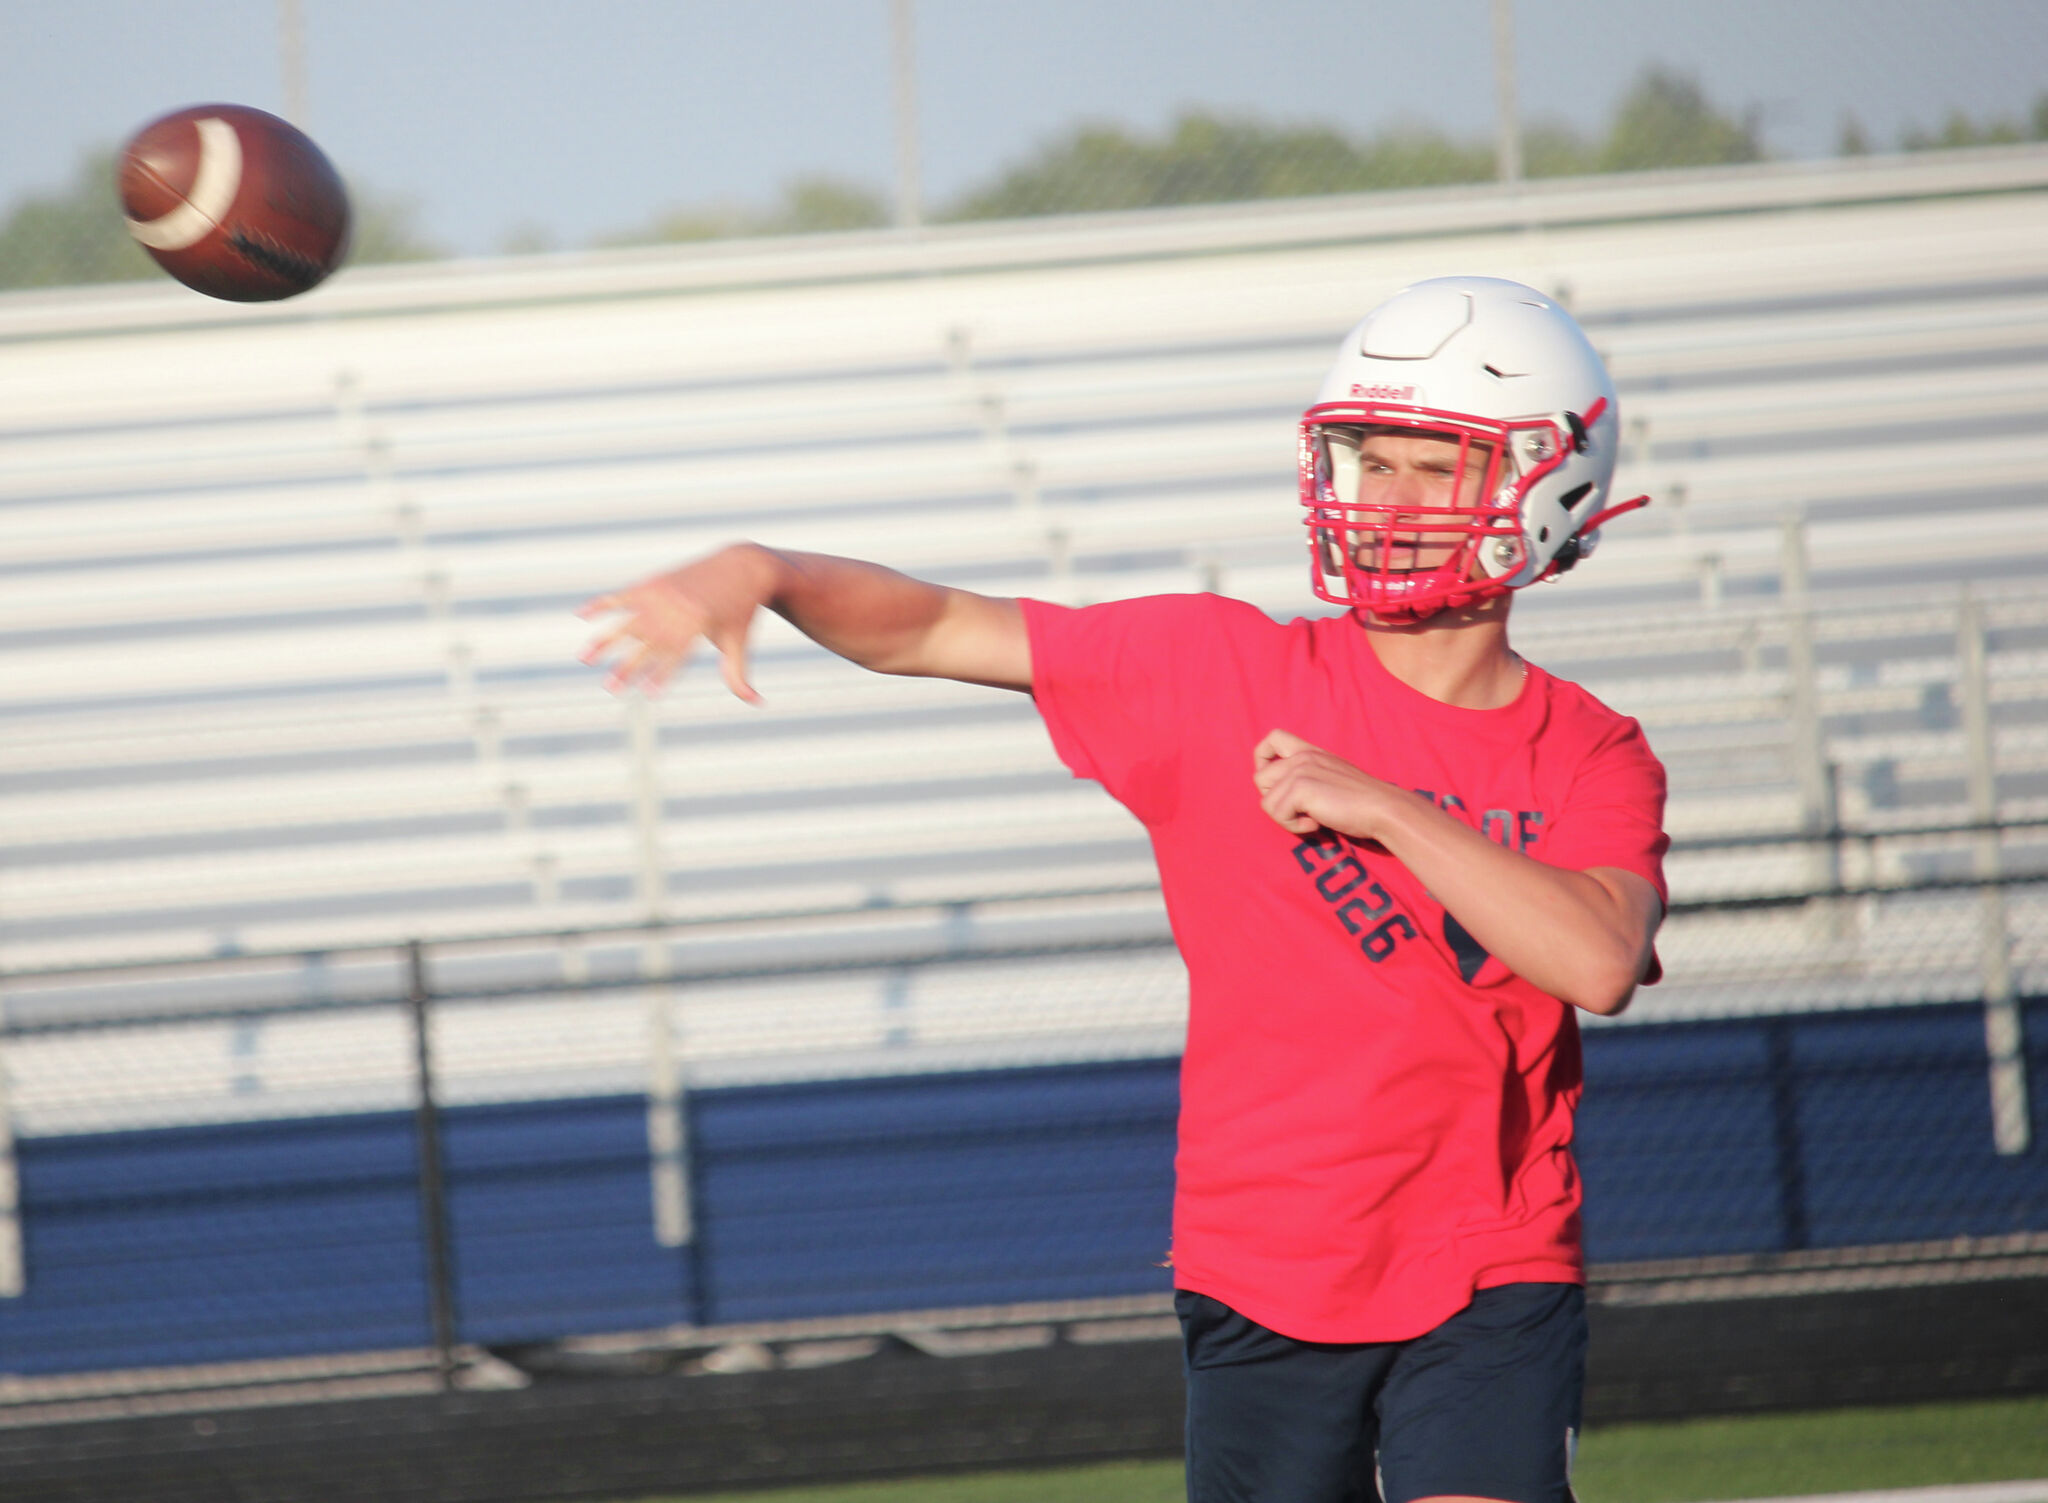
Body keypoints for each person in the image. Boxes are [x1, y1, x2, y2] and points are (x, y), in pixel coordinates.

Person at [580, 276, 1670, 1503]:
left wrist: (1383, 808)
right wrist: (761, 567)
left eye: (1435, 470)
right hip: (1266, 1256)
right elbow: (938, 628)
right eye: (1371, 463)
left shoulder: (1588, 749)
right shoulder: (1215, 671)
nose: (1387, 502)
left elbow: (1592, 961)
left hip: (1492, 1259)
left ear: (1548, 483)